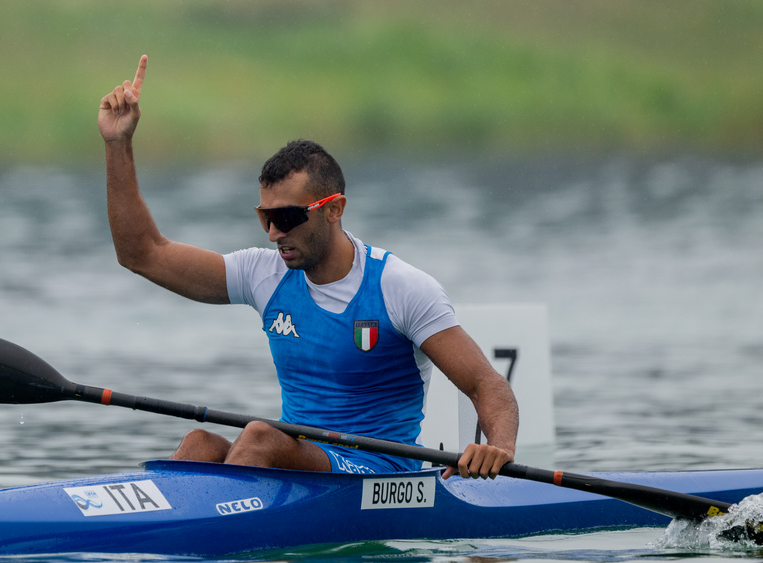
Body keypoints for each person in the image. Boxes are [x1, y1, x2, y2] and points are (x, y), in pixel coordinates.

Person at [98, 55, 518, 480]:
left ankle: (236, 540)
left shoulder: (400, 288)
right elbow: (142, 254)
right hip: (305, 464)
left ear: (334, 210)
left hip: (379, 474)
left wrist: (498, 448)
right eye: (266, 218)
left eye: (287, 218)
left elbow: (488, 385)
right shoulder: (263, 274)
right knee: (199, 444)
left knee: (259, 437)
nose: (273, 234)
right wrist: (118, 145)